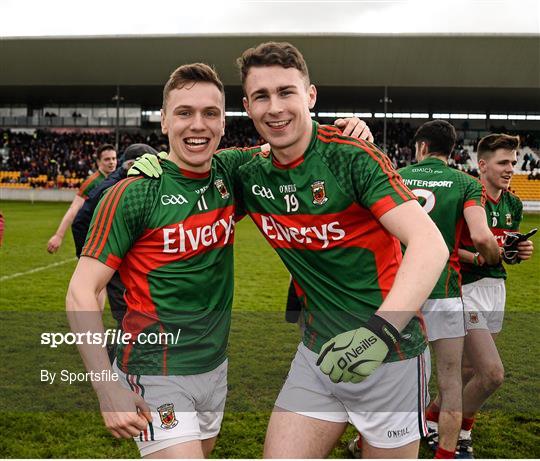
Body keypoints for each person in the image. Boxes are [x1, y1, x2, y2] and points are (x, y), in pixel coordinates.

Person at [67, 62, 371, 459]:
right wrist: (106, 388)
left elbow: (290, 139)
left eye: (210, 113)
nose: (198, 125)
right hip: (156, 370)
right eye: (184, 113)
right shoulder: (133, 193)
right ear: (163, 121)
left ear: (224, 122)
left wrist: (344, 128)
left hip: (215, 370)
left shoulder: (230, 173)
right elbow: (80, 293)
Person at [233, 41, 449, 459]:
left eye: (286, 92)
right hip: (317, 353)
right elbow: (188, 185)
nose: (274, 107)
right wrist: (151, 167)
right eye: (261, 96)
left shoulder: (352, 157)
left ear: (310, 96)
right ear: (247, 105)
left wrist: (379, 334)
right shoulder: (248, 172)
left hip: (392, 355)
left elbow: (429, 244)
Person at [425, 133, 535, 458]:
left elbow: (502, 250)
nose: (511, 168)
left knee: (468, 373)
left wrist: (517, 251)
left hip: (495, 289)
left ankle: (438, 424)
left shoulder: (513, 203)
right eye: (503, 162)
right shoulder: (467, 195)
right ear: (482, 164)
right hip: (464, 290)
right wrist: (478, 257)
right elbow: (445, 246)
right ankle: (457, 432)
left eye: (513, 162)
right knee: (491, 373)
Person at [397, 121, 500, 459]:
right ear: (451, 150)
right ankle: (445, 453)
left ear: (421, 147)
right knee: (451, 382)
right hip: (443, 291)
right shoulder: (465, 183)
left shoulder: (395, 175)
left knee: (391, 381)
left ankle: (374, 443)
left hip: (399, 292)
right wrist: (492, 257)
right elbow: (483, 237)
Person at [71, 144, 159, 360]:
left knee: (136, 305)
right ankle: (118, 357)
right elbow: (79, 221)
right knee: (125, 310)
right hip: (114, 259)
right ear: (133, 164)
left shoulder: (123, 179)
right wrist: (92, 256)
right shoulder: (110, 187)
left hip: (127, 256)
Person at [47, 143, 117, 254]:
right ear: (98, 162)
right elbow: (74, 208)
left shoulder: (115, 179)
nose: (112, 162)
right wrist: (59, 235)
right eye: (107, 159)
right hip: (92, 236)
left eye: (114, 158)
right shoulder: (92, 182)